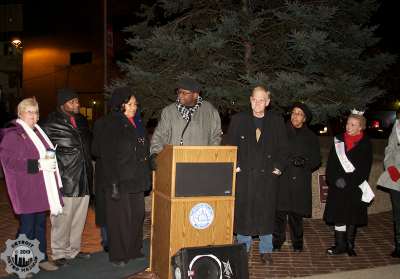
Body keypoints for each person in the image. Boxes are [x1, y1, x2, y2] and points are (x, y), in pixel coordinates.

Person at [224, 86, 289, 265]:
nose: (257, 103)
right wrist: (235, 166)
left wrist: (278, 168)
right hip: (245, 176)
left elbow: (283, 149)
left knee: (266, 214)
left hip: (267, 177)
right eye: (254, 99)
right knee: (244, 213)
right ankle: (243, 248)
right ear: (250, 100)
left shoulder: (276, 121)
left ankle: (266, 250)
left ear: (267, 102)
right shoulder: (238, 120)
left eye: (261, 100)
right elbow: (229, 146)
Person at [0, 97, 62, 272]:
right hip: (25, 189)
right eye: (30, 112)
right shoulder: (13, 134)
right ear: (20, 113)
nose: (34, 116)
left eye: (36, 112)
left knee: (40, 225)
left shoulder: (38, 132)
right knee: (27, 227)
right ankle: (21, 265)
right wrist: (39, 164)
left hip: (42, 188)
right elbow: (9, 162)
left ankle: (41, 258)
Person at [91, 87, 151, 266]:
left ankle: (133, 249)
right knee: (120, 219)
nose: (134, 107)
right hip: (119, 179)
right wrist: (113, 182)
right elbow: (106, 156)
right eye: (130, 104)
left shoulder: (137, 123)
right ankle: (118, 255)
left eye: (135, 104)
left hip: (136, 178)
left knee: (137, 215)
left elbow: (143, 150)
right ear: (120, 105)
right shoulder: (110, 123)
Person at [41, 88, 93, 266]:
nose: (77, 104)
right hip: (66, 179)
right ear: (63, 104)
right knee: (62, 219)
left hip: (84, 178)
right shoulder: (50, 123)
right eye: (73, 101)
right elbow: (44, 151)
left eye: (77, 101)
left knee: (79, 218)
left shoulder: (82, 120)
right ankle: (58, 252)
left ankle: (73, 250)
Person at [323, 111, 373, 256]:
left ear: (360, 127)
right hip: (338, 186)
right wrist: (335, 179)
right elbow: (331, 164)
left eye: (353, 124)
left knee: (352, 217)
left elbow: (365, 168)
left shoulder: (366, 143)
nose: (348, 127)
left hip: (354, 187)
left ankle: (350, 245)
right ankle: (340, 245)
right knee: (339, 217)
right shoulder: (338, 140)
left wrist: (350, 182)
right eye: (348, 123)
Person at [273, 102, 321, 252]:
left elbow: (317, 160)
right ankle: (277, 242)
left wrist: (305, 162)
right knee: (279, 214)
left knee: (296, 216)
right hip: (283, 179)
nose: (295, 116)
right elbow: (273, 153)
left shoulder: (311, 137)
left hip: (300, 180)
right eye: (294, 113)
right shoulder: (280, 132)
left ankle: (298, 244)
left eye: (299, 114)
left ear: (304, 118)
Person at [150, 77, 222, 160]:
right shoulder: (169, 112)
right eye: (179, 92)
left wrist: (210, 156)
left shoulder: (210, 111)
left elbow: (216, 136)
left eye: (184, 93)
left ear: (195, 95)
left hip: (200, 162)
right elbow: (159, 137)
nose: (180, 95)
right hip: (174, 162)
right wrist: (155, 154)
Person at [377, 109, 400, 258]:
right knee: (398, 213)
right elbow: (390, 148)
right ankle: (399, 245)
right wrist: (390, 166)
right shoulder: (397, 125)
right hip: (396, 176)